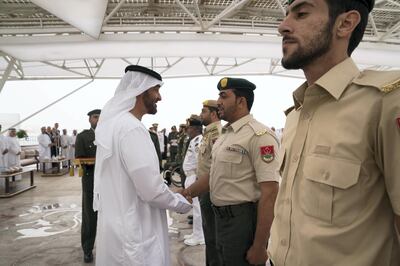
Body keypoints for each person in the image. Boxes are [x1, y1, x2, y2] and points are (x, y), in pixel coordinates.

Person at [268, 1, 400, 265]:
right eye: (286, 16)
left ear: (345, 24)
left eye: (301, 14)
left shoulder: (385, 103)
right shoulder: (295, 116)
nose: (283, 27)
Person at [94, 65, 192, 266]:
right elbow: (151, 191)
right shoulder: (132, 129)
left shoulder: (115, 125)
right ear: (141, 91)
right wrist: (181, 201)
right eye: (156, 90)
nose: (159, 97)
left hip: (117, 228)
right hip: (135, 233)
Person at [182, 78, 280, 265]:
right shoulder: (225, 135)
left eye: (223, 96)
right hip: (220, 219)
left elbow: (270, 192)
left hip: (242, 222)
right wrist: (186, 193)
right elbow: (212, 175)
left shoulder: (260, 136)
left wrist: (260, 246)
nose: (218, 101)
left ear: (241, 101)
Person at [182, 99, 222, 264]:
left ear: (213, 114)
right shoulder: (208, 134)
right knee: (209, 235)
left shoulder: (218, 133)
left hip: (211, 188)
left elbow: (216, 165)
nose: (200, 115)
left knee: (213, 235)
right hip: (203, 186)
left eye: (204, 111)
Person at [75, 109, 101, 263]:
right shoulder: (83, 137)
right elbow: (79, 159)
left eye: (100, 117)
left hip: (110, 182)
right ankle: (88, 249)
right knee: (90, 218)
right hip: (91, 182)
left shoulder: (110, 135)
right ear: (90, 120)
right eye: (95, 117)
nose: (98, 120)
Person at [182, 115, 204, 246]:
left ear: (195, 128)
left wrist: (197, 180)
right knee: (195, 208)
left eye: (189, 127)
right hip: (190, 177)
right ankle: (196, 233)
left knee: (197, 209)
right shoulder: (194, 140)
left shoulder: (198, 141)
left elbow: (199, 162)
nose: (187, 130)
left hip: (194, 177)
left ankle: (199, 236)